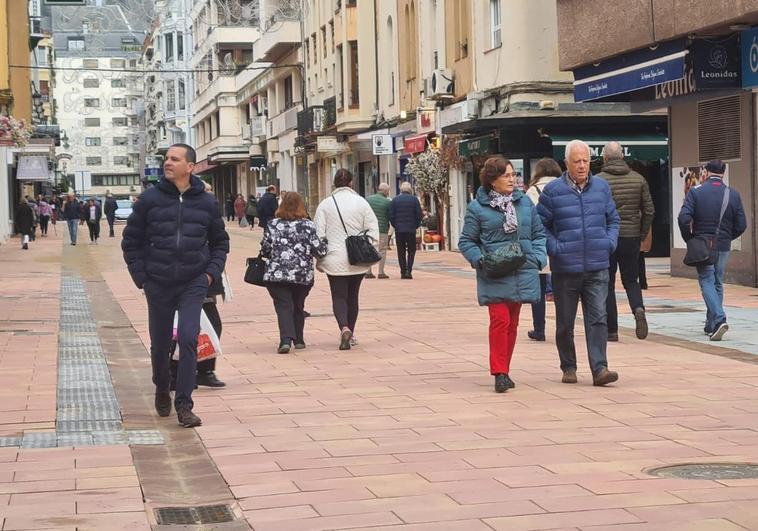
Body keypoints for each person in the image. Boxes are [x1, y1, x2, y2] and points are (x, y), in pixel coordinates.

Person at [122, 143, 229, 428]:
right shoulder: (149, 199)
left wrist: (209, 274)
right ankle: (161, 386)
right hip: (158, 282)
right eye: (166, 158)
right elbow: (131, 242)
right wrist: (142, 277)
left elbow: (220, 243)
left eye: (174, 159)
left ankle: (184, 405)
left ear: (190, 167)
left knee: (189, 337)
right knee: (160, 345)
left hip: (194, 281)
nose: (167, 163)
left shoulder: (206, 202)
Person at [537, 139, 620, 387]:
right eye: (577, 161)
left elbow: (613, 219)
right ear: (567, 163)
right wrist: (556, 248)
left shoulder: (602, 188)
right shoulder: (553, 191)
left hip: (597, 264)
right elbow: (540, 226)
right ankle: (569, 366)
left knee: (598, 319)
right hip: (566, 267)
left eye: (585, 160)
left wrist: (609, 243)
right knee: (565, 322)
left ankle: (600, 368)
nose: (583, 165)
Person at [459, 157, 547, 393]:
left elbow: (539, 234)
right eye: (506, 175)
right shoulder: (477, 208)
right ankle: (499, 372)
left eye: (513, 175)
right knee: (500, 320)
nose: (512, 179)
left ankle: (505, 369)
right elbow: (466, 241)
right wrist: (480, 260)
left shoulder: (525, 203)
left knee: (513, 323)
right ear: (492, 180)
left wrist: (539, 257)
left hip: (521, 269)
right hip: (495, 272)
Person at [678, 159, 746, 341]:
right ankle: (711, 324)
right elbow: (742, 225)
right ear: (723, 173)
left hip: (702, 243)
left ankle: (719, 318)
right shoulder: (733, 194)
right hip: (723, 244)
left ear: (705, 172)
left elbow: (684, 218)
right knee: (717, 282)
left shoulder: (696, 192)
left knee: (706, 280)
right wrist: (727, 237)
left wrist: (690, 239)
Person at [170, 180, 227, 389]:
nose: (211, 196)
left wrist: (213, 273)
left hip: (206, 279)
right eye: (207, 192)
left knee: (212, 325)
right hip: (179, 281)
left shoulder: (209, 214)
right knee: (178, 329)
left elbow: (220, 243)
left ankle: (205, 370)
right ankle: (175, 374)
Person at [314, 169, 379, 350]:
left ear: (334, 183)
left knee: (338, 295)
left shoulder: (325, 205)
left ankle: (344, 327)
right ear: (351, 183)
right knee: (353, 296)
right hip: (357, 258)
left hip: (334, 258)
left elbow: (318, 233)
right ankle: (351, 332)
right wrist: (368, 245)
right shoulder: (361, 202)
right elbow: (373, 229)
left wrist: (320, 256)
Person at [597, 141, 655, 342]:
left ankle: (612, 330)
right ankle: (638, 308)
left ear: (604, 158)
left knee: (608, 283)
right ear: (623, 156)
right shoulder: (638, 179)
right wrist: (642, 232)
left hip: (607, 238)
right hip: (631, 237)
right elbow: (649, 210)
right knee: (631, 280)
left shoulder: (598, 181)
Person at [261, 192, 327, 353]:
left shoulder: (273, 224)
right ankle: (299, 339)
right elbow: (319, 249)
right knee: (298, 304)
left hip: (277, 274)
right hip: (302, 275)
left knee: (284, 305)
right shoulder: (308, 225)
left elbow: (265, 249)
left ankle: (285, 340)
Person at [525, 158, 561, 342]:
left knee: (538, 289)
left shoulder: (532, 191)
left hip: (539, 244)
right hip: (562, 243)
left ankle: (539, 329)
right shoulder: (565, 187)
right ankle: (564, 326)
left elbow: (528, 219)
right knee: (563, 288)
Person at [390, 181, 423, 279]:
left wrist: (395, 225)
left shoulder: (395, 200)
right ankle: (409, 270)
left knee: (401, 251)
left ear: (401, 189)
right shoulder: (414, 200)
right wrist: (416, 225)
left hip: (399, 230)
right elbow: (419, 214)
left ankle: (403, 272)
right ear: (410, 190)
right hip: (411, 229)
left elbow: (391, 215)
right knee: (411, 250)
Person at [365, 182, 392, 279]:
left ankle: (368, 272)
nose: (388, 193)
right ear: (385, 191)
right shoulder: (387, 202)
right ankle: (381, 272)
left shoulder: (368, 200)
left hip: (369, 230)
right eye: (388, 191)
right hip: (382, 229)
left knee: (369, 250)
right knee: (382, 250)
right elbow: (390, 216)